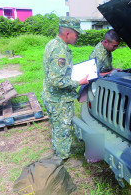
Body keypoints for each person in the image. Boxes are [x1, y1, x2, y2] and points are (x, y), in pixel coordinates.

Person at [42, 16, 89, 160]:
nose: (78, 37)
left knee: (57, 127)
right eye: (77, 34)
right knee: (63, 129)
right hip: (59, 100)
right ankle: (61, 159)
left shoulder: (52, 43)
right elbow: (56, 80)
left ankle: (58, 151)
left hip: (51, 96)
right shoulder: (60, 51)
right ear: (68, 33)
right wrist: (78, 83)